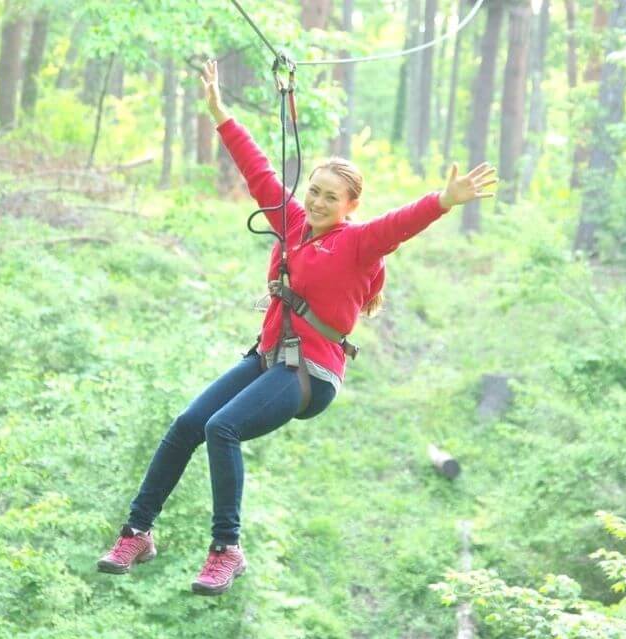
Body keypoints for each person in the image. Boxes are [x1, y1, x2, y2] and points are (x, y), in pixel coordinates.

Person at [97, 59, 497, 596]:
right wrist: (221, 114)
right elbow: (258, 170)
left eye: (332, 197)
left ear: (351, 205)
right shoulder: (291, 222)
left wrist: (445, 201)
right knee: (189, 422)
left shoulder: (358, 243)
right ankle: (136, 532)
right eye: (314, 191)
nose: (318, 202)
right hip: (269, 357)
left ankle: (226, 549)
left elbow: (401, 223)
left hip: (311, 373)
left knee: (223, 427)